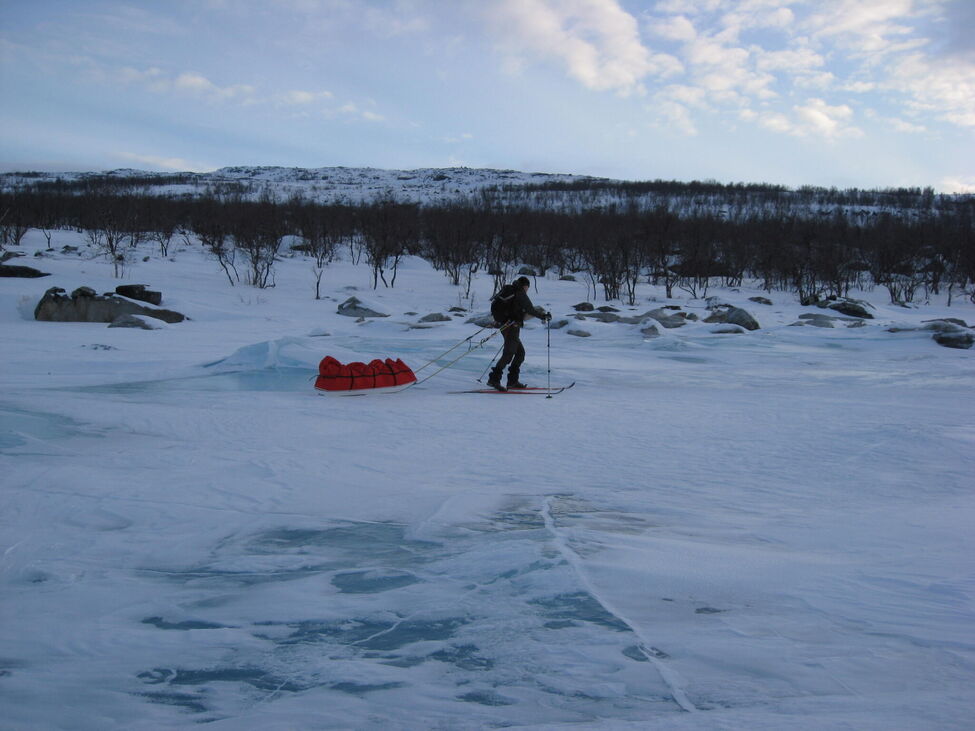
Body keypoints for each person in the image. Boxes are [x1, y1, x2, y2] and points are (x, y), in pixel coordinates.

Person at [488, 276, 551, 391]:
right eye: (527, 287)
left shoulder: (509, 290)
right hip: (511, 326)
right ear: (525, 285)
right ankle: (494, 379)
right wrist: (543, 316)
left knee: (520, 353)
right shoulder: (520, 293)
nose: (527, 289)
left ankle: (512, 381)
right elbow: (530, 309)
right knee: (509, 354)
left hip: (505, 325)